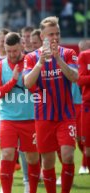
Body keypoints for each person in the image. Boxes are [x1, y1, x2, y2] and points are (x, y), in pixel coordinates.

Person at [24, 16, 78, 193]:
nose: (55, 37)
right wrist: (40, 63)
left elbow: (74, 76)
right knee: (47, 162)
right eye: (50, 34)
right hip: (44, 117)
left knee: (68, 156)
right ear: (42, 37)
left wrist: (58, 59)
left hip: (66, 115)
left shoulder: (68, 53)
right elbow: (27, 82)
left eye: (57, 33)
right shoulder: (32, 58)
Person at [0, 32, 40, 193]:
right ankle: (6, 191)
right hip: (8, 119)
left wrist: (27, 80)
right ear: (4, 48)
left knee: (32, 158)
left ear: (22, 47)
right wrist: (12, 81)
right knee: (7, 155)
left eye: (15, 51)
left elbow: (38, 90)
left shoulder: (32, 62)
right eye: (9, 51)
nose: (12, 55)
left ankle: (32, 190)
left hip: (30, 118)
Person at [77, 39, 90, 173]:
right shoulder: (84, 57)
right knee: (84, 141)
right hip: (86, 104)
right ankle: (84, 164)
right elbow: (80, 80)